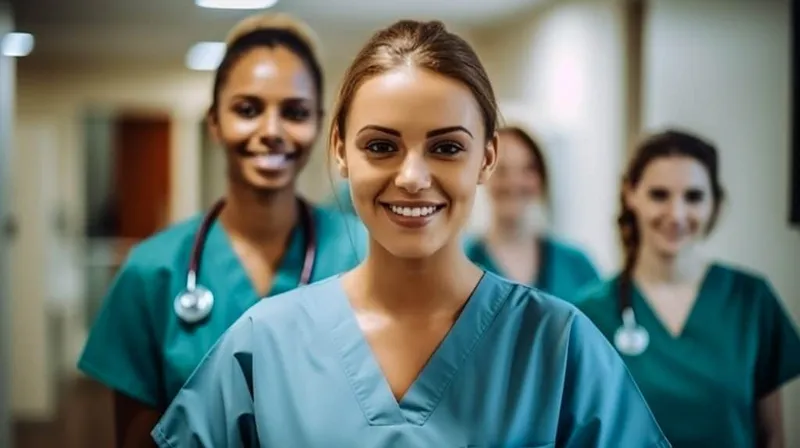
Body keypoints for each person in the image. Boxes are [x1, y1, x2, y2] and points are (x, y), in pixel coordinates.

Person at [151, 19, 670, 448]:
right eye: (381, 146)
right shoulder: (263, 344)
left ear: (486, 158)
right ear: (340, 150)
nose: (413, 178)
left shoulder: (557, 346)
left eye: (446, 148)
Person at [77, 13, 366, 447]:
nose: (271, 131)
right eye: (247, 110)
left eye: (294, 112)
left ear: (319, 124)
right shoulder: (152, 271)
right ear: (214, 122)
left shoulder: (362, 253)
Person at [576, 129, 800, 447]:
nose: (676, 214)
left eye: (693, 197)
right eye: (659, 195)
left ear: (713, 202)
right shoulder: (591, 312)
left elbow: (772, 436)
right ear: (631, 194)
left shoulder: (751, 300)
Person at [464, 125, 600, 300]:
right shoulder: (463, 261)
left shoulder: (576, 265)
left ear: (542, 177)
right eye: (502, 170)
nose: (514, 182)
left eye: (528, 169)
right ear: (481, 176)